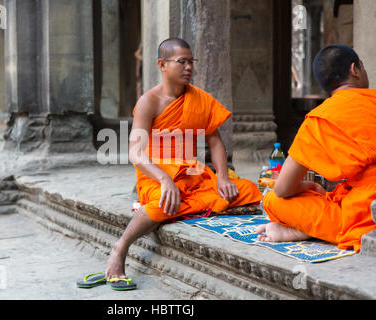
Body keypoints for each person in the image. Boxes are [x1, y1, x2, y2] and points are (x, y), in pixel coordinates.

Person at [105, 38, 262, 286]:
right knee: (163, 203)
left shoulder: (199, 98)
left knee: (247, 190)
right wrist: (164, 178)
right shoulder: (150, 101)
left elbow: (216, 142)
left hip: (192, 174)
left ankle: (189, 203)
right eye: (182, 62)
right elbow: (135, 151)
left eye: (191, 62)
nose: (189, 67)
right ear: (162, 64)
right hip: (156, 174)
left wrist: (222, 176)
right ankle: (121, 247)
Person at [256, 44, 376, 252]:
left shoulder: (318, 119)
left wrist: (307, 187)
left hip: (361, 215)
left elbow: (283, 189)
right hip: (362, 204)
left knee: (272, 199)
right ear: (354, 69)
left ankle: (309, 230)